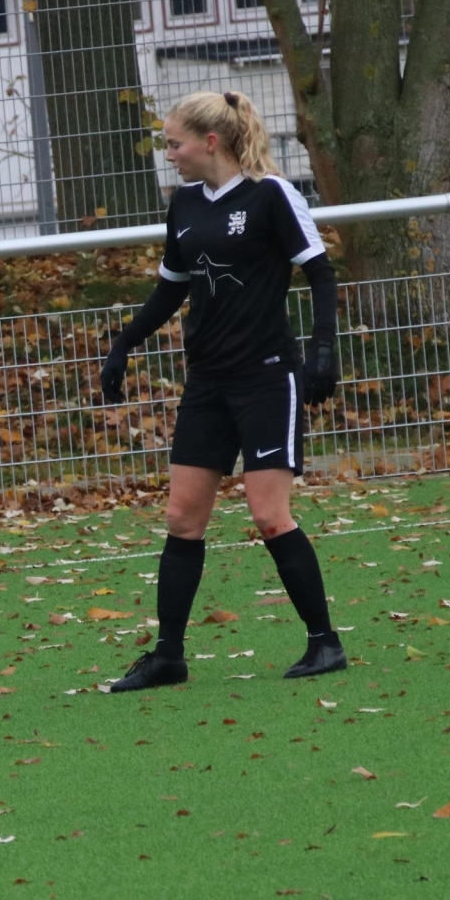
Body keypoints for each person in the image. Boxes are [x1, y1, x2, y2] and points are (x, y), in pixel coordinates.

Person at [99, 90, 346, 692]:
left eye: (174, 142)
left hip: (266, 377)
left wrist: (322, 349)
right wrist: (123, 344)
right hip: (207, 382)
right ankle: (168, 658)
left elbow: (319, 272)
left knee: (268, 516)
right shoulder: (183, 204)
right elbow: (170, 290)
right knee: (182, 518)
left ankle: (324, 643)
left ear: (210, 142)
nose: (169, 154)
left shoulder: (270, 195)